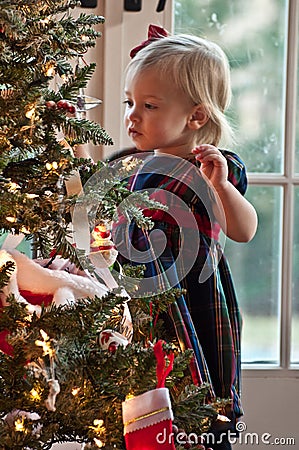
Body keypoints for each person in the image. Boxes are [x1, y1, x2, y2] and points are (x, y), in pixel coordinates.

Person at [112, 25, 258, 450]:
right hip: (134, 300)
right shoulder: (130, 166)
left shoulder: (211, 167)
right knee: (133, 403)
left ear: (195, 116)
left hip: (190, 300)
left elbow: (244, 230)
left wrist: (222, 186)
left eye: (149, 105)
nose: (132, 116)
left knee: (195, 397)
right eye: (130, 103)